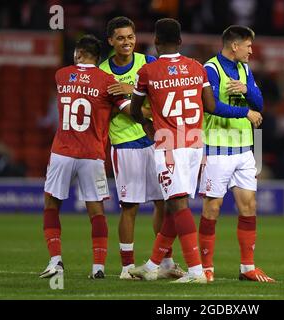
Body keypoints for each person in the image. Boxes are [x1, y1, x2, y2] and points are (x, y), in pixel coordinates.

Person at [128, 18, 262, 283]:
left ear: (155, 41)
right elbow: (210, 105)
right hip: (196, 143)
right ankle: (154, 263)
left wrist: (146, 123)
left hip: (168, 142)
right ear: (180, 41)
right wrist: (244, 110)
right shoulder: (197, 68)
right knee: (175, 204)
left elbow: (134, 109)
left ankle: (197, 271)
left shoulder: (147, 72)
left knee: (178, 206)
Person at [39, 35, 130, 280]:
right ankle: (98, 268)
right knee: (96, 210)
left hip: (62, 152)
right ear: (99, 58)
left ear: (78, 53)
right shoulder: (107, 81)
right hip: (92, 154)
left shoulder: (61, 75)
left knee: (51, 204)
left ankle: (55, 261)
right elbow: (126, 110)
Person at [99, 16, 184, 280]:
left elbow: (158, 102)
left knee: (163, 202)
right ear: (111, 41)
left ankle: (166, 262)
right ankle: (126, 267)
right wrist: (139, 99)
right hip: (126, 143)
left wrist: (131, 90)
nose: (127, 42)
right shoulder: (103, 73)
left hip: (155, 142)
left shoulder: (148, 63)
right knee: (130, 206)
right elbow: (129, 111)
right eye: (121, 38)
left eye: (131, 37)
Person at [198, 25, 274, 283]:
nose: (251, 51)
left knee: (249, 207)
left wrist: (246, 90)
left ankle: (247, 267)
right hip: (217, 149)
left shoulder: (244, 69)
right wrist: (245, 112)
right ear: (234, 45)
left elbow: (260, 103)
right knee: (212, 209)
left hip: (244, 149)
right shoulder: (210, 69)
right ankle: (206, 268)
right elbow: (211, 107)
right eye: (248, 46)